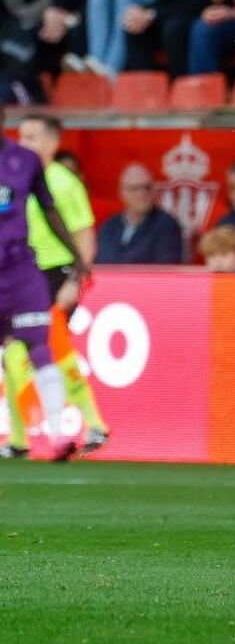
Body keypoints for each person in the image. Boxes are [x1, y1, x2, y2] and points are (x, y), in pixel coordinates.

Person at [4, 113, 107, 457]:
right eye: (23, 135)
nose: (26, 142)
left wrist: (76, 276)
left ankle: (92, 423)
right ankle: (19, 440)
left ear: (52, 142)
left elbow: (83, 229)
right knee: (16, 358)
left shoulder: (64, 181)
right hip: (31, 270)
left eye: (33, 136)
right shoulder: (20, 172)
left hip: (54, 273)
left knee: (48, 351)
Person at [96, 164, 185, 264]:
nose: (142, 194)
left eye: (147, 188)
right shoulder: (109, 227)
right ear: (122, 192)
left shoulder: (166, 226)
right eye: (135, 188)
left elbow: (166, 269)